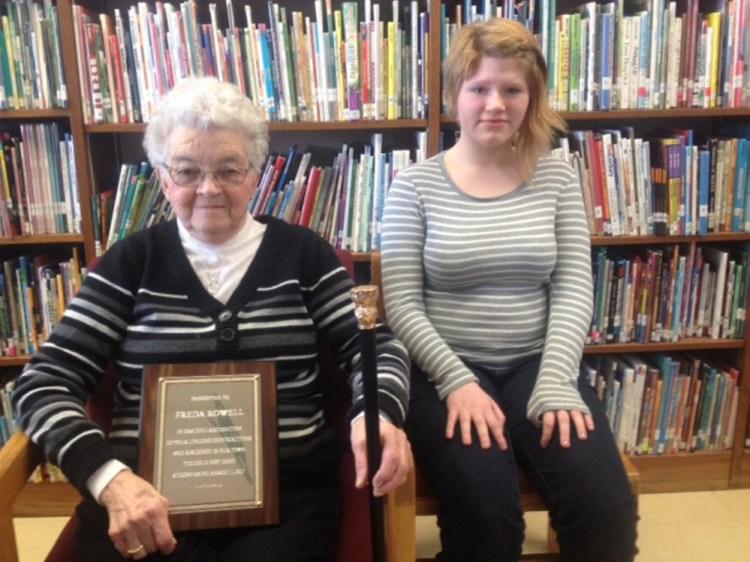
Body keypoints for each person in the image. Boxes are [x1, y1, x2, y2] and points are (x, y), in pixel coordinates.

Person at [13, 76, 411, 562]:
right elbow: (43, 384)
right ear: (162, 177)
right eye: (186, 171)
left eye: (229, 170)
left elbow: (375, 349)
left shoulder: (304, 255)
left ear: (256, 175)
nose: (208, 189)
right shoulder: (129, 264)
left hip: (288, 498)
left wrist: (377, 415)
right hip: (143, 498)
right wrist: (109, 480)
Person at [380, 18, 638, 562]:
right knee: (487, 516)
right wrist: (456, 381)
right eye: (479, 88)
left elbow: (572, 286)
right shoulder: (414, 187)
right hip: (441, 373)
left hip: (536, 365)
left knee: (604, 507)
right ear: (455, 95)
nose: (495, 103)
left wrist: (556, 379)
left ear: (532, 97)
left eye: (512, 89)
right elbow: (401, 303)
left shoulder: (560, 177)